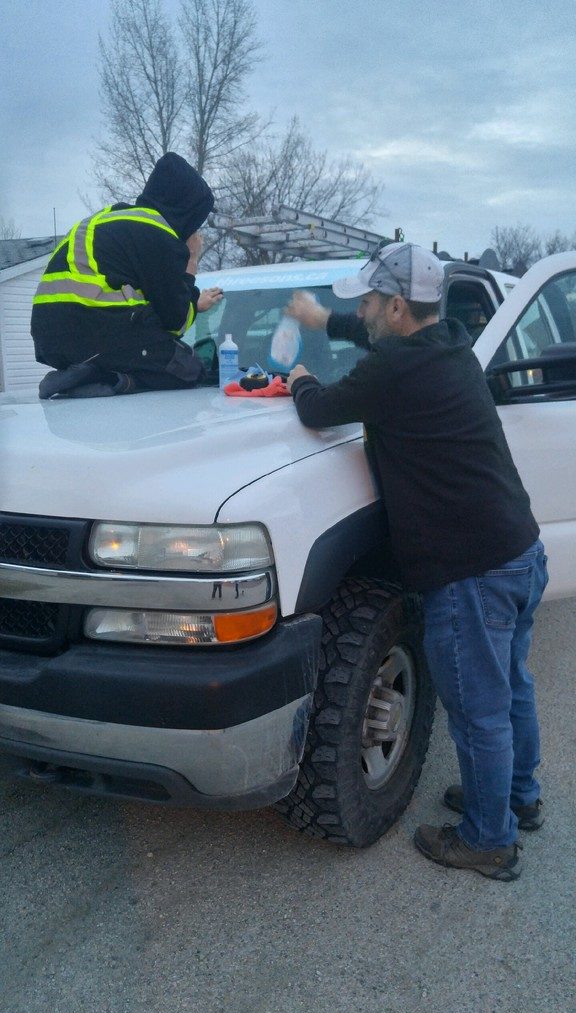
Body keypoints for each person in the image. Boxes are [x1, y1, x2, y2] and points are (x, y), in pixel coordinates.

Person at [286, 241, 547, 881]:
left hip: (471, 575)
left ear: (398, 305)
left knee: (479, 709)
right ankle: (516, 798)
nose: (365, 313)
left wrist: (299, 379)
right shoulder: (451, 345)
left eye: (371, 302)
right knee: (510, 687)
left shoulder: (394, 370)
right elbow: (376, 342)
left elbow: (320, 410)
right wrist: (326, 321)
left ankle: (489, 840)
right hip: (519, 552)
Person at [32, 152, 223, 398]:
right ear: (187, 210)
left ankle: (81, 376)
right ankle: (105, 379)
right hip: (97, 334)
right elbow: (176, 324)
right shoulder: (158, 234)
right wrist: (192, 259)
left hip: (51, 342)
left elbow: (142, 299)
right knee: (188, 367)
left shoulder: (108, 220)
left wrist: (194, 302)